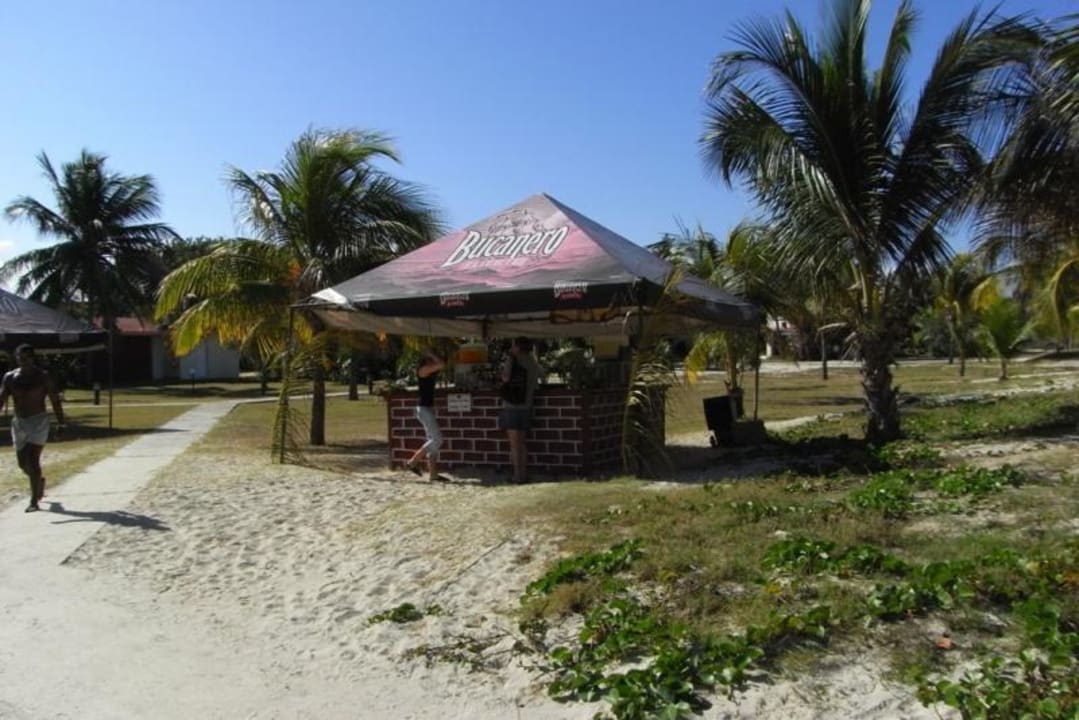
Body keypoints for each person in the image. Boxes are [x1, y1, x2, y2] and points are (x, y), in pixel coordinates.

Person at [0, 344, 65, 512]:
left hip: (38, 421)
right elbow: (2, 399)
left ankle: (34, 501)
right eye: (20, 358)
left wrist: (61, 422)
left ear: (33, 358)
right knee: (22, 463)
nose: (23, 361)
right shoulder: (10, 377)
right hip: (19, 422)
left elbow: (55, 400)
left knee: (32, 459)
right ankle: (38, 481)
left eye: (27, 358)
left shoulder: (43, 376)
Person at [499, 337, 540, 484]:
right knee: (522, 443)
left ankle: (517, 476)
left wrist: (509, 358)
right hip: (527, 405)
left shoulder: (513, 360)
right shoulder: (533, 362)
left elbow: (505, 377)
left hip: (512, 405)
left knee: (514, 444)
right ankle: (523, 473)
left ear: (516, 346)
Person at [405, 350, 445, 481]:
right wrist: (431, 354)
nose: (433, 362)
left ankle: (433, 474)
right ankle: (412, 462)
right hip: (423, 409)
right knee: (437, 440)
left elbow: (440, 365)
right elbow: (441, 364)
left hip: (426, 409)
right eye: (430, 360)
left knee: (432, 440)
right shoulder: (423, 370)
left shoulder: (428, 371)